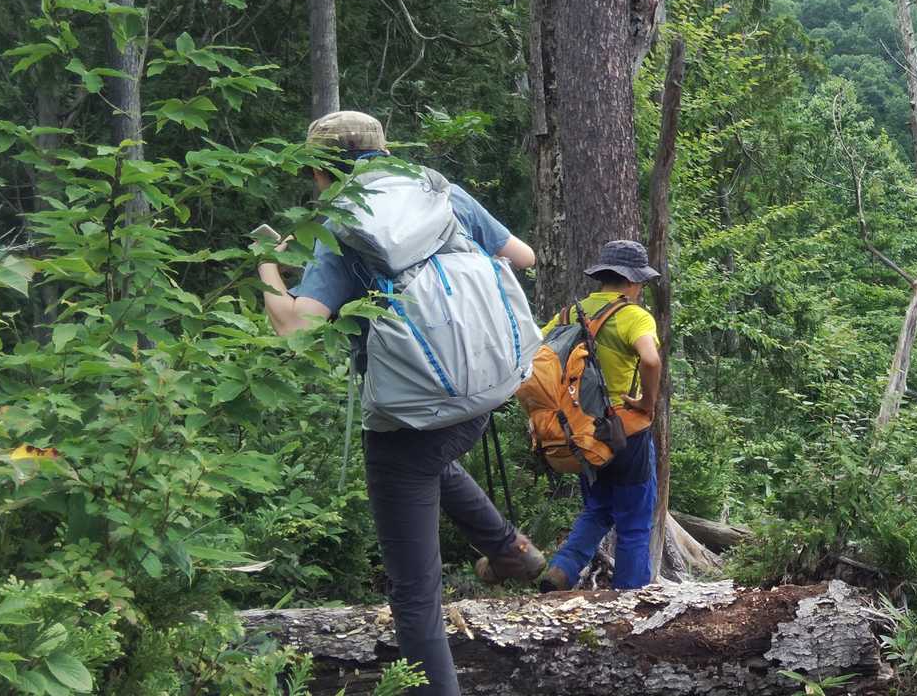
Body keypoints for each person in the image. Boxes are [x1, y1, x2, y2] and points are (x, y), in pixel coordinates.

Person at [257, 111, 552, 696]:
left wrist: (265, 262)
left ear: (318, 171)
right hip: (486, 390)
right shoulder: (441, 194)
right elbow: (524, 257)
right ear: (385, 153)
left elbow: (294, 327)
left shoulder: (343, 226)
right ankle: (510, 551)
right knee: (432, 461)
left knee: (415, 596)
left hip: (408, 417)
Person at [529, 239, 665, 591]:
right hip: (626, 431)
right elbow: (651, 360)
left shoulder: (567, 315)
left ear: (603, 277)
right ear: (633, 280)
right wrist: (647, 403)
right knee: (634, 520)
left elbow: (532, 354)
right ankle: (630, 598)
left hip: (583, 433)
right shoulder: (633, 315)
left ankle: (562, 569)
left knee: (598, 509)